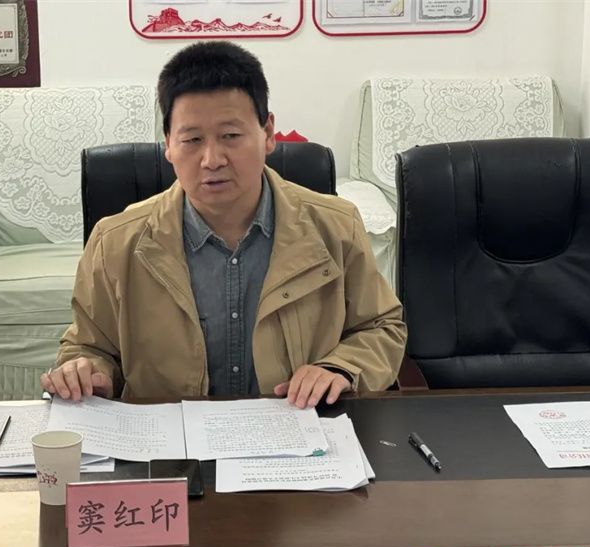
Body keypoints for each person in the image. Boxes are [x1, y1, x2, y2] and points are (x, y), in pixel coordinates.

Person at [42, 41, 406, 408]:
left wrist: (340, 367)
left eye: (230, 136)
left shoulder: (336, 227)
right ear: (168, 144)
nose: (212, 159)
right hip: (170, 437)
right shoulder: (115, 242)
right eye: (192, 140)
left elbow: (381, 327)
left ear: (268, 133)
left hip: (295, 430)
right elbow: (89, 347)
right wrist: (86, 371)